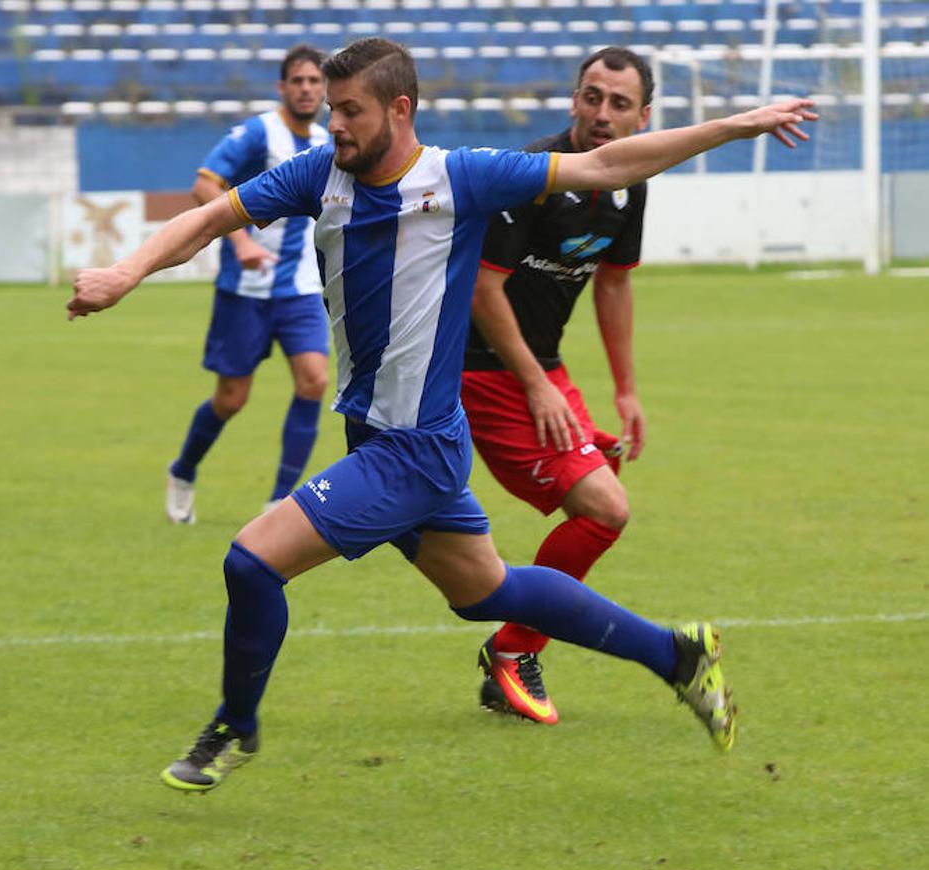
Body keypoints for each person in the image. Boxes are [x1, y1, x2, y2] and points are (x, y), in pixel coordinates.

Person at [68, 38, 814, 793]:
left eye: (351, 111)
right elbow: (205, 219)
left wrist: (734, 125)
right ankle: (677, 654)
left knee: (252, 561)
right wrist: (125, 273)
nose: (337, 127)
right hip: (384, 437)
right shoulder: (318, 174)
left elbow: (607, 166)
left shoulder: (462, 177)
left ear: (400, 109)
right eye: (331, 111)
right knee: (490, 592)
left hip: (414, 451)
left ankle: (235, 726)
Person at [464, 47, 657, 725]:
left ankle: (512, 646)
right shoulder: (532, 177)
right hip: (478, 368)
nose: (602, 114)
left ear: (644, 116)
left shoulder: (631, 183)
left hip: (537, 365)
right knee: (605, 508)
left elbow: (614, 281)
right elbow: (484, 292)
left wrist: (625, 390)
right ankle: (513, 650)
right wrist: (538, 387)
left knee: (603, 475)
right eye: (592, 97)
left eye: (618, 103)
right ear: (574, 99)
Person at [165, 45, 332, 524]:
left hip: (299, 288)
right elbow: (205, 184)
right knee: (231, 398)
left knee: (315, 381)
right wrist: (241, 244)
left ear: (324, 89)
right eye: (297, 81)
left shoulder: (326, 140)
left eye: (314, 81)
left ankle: (278, 502)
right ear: (282, 88)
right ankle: (183, 469)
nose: (306, 89)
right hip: (246, 289)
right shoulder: (260, 132)